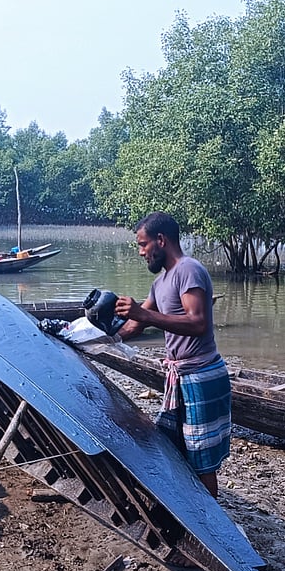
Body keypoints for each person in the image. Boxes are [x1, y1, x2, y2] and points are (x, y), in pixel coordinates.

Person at [114, 212, 231, 497]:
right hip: (180, 379)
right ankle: (192, 509)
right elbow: (133, 326)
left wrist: (144, 314)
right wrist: (96, 336)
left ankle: (210, 525)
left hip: (201, 376)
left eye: (143, 244)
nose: (141, 252)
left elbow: (198, 322)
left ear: (161, 240)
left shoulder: (188, 270)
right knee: (175, 448)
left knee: (202, 458)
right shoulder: (161, 282)